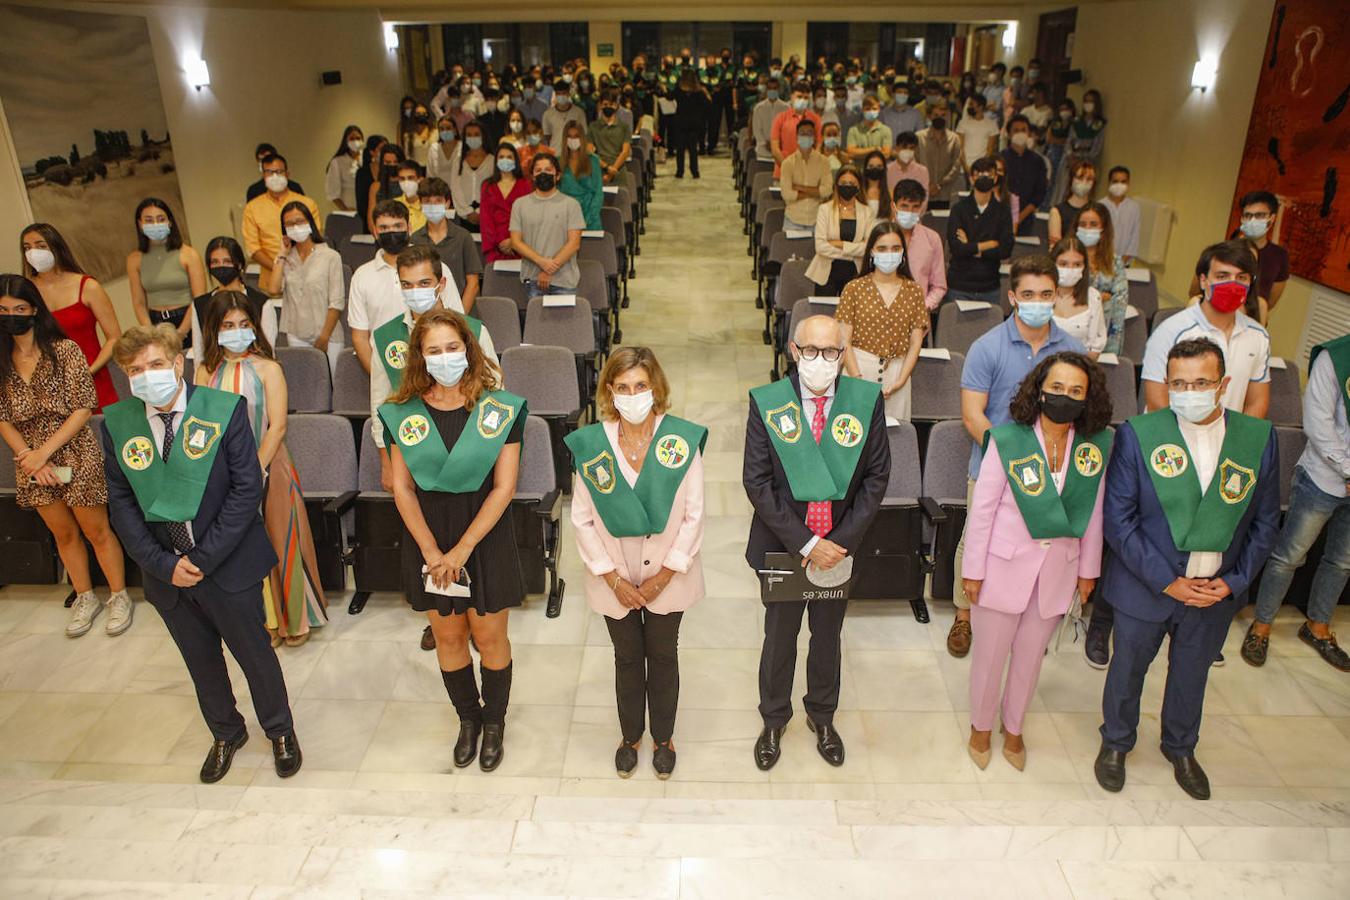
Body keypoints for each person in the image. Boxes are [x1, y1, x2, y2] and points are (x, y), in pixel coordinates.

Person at [100, 324, 302, 784]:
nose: (146, 376)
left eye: (154, 365)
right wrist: (163, 564)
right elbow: (122, 504)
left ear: (177, 364)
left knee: (255, 655)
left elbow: (246, 488)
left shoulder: (222, 410)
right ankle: (226, 732)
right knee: (200, 660)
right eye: (135, 370)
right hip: (167, 574)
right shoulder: (119, 426)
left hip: (226, 564)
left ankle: (280, 731)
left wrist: (202, 558)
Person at [1094, 338, 1279, 800]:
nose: (1188, 391)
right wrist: (1167, 581)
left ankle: (1180, 747)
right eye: (1178, 383)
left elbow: (1266, 521)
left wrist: (1234, 583)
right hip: (1147, 586)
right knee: (1127, 670)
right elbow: (1120, 522)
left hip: (1214, 590)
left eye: (1200, 382)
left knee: (1191, 675)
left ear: (1224, 385)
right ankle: (1116, 743)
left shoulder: (1257, 439)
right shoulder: (1140, 433)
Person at [382, 308, 525, 772]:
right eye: (433, 350)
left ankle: (495, 723)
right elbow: (402, 486)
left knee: (488, 635)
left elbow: (504, 487)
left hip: (483, 535)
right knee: (448, 635)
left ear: (468, 348)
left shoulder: (500, 408)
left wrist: (461, 550)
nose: (445, 357)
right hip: (429, 537)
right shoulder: (401, 412)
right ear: (419, 358)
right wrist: (431, 552)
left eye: (452, 347)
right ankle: (469, 719)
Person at [745, 315, 890, 770]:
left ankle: (822, 716)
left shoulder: (865, 401)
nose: (821, 361)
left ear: (843, 353)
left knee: (827, 636)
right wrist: (808, 543)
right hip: (785, 544)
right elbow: (757, 480)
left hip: (841, 546)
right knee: (780, 637)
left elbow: (877, 477)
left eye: (831, 352)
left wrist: (839, 542)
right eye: (812, 351)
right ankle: (773, 719)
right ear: (794, 350)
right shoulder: (769, 402)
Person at [964, 352, 1110, 770]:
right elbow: (983, 512)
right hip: (1001, 568)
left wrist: (1087, 573)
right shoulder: (1009, 442)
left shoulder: (1091, 450)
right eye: (1057, 388)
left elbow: (1094, 514)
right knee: (991, 656)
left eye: (1076, 391)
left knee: (1030, 658)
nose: (1066, 397)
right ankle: (979, 726)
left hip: (1057, 573)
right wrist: (972, 569)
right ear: (1040, 391)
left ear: (1088, 398)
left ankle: (1014, 728)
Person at [565, 348, 706, 779]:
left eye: (641, 386)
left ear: (655, 388)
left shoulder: (679, 440)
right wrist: (612, 578)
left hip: (671, 573)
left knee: (663, 655)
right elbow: (582, 518)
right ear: (610, 390)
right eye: (623, 387)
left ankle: (663, 737)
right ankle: (630, 736)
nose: (632, 395)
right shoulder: (592, 445)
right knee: (627, 657)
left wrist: (665, 575)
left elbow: (694, 513)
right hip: (614, 577)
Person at [950, 255, 1087, 657]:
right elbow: (973, 415)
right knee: (974, 540)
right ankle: (963, 617)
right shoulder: (986, 347)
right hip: (993, 465)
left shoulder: (1073, 350)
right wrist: (1012, 458)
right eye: (1028, 294)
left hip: (1058, 472)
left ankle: (1027, 622)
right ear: (1012, 297)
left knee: (1040, 547)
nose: (1038, 301)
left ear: (1057, 296)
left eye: (1046, 294)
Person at [0, 274, 130, 638]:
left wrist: (44, 453)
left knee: (96, 530)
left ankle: (118, 595)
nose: (11, 316)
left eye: (19, 309)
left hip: (72, 450)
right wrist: (29, 456)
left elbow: (83, 407)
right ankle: (85, 595)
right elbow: (2, 416)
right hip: (30, 459)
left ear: (34, 310)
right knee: (63, 534)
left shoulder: (65, 350)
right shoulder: (2, 359)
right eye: (4, 311)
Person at [195, 292, 328, 646]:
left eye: (243, 324)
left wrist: (252, 473)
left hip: (270, 466)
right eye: (228, 326)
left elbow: (278, 426)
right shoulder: (205, 371)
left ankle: (294, 620)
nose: (237, 332)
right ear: (214, 330)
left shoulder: (269, 368)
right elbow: (201, 425)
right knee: (242, 549)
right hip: (223, 474)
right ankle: (263, 620)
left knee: (280, 541)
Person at [1242, 331, 1350, 671]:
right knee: (1289, 556)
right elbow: (1318, 423)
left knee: (1342, 562)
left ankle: (1317, 626)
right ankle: (1261, 626)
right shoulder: (1335, 357)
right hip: (1323, 477)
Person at [1143, 241, 1270, 417]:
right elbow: (1157, 402)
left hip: (1228, 441)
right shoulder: (1170, 331)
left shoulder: (1258, 336)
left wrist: (1237, 441)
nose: (1232, 285)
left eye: (1241, 278)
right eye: (1222, 276)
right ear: (1203, 281)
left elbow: (1257, 402)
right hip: (1172, 439)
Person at [21, 224, 121, 410]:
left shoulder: (88, 285)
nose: (33, 252)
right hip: (52, 388)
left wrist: (88, 371)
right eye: (27, 248)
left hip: (94, 379)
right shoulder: (27, 292)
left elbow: (114, 337)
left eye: (40, 245)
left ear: (55, 247)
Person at [837, 222, 928, 420]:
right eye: (882, 248)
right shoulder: (854, 288)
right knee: (853, 437)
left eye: (895, 248)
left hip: (898, 373)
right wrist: (857, 379)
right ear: (871, 252)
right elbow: (844, 340)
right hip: (859, 368)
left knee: (895, 440)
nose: (889, 254)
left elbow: (916, 341)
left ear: (903, 252)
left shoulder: (914, 291)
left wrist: (902, 378)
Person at [263, 201, 345, 373]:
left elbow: (336, 302)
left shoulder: (330, 256)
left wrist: (324, 337)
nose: (295, 227)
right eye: (289, 224)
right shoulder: (287, 258)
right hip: (297, 334)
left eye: (299, 221)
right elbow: (273, 289)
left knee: (332, 384)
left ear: (309, 222)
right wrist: (282, 254)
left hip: (327, 334)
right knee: (308, 384)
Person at [127, 198, 206, 348]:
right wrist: (152, 333)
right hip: (155, 323)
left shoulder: (188, 254)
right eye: (149, 220)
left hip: (188, 320)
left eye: (160, 219)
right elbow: (139, 303)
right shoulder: (134, 259)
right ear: (140, 224)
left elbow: (199, 298)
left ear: (169, 221)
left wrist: (182, 332)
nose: (155, 224)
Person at [510, 152, 586, 299]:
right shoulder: (519, 204)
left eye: (548, 170)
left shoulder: (571, 204)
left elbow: (574, 243)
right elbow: (516, 242)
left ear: (557, 175)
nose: (543, 173)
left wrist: (548, 270)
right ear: (532, 176)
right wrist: (542, 262)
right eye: (538, 170)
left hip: (565, 281)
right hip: (532, 280)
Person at [243, 155, 320, 289]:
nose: (275, 176)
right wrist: (278, 267)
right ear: (263, 176)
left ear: (287, 174)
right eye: (269, 172)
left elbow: (315, 238)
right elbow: (253, 249)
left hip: (306, 277)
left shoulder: (307, 203)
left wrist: (298, 268)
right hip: (271, 280)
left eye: (279, 172)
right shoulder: (252, 208)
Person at [946, 156, 1014, 304]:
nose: (984, 177)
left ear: (996, 178)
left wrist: (970, 245)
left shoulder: (1003, 211)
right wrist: (989, 244)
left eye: (988, 174)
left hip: (989, 286)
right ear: (971, 178)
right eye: (979, 174)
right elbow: (957, 248)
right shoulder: (959, 209)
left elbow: (1005, 249)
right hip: (959, 285)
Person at [411, 177, 483, 313]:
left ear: (447, 203)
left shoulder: (463, 236)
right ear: (420, 204)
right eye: (427, 202)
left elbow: (473, 284)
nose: (433, 206)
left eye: (438, 201)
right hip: (427, 313)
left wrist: (459, 317)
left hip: (463, 312)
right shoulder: (415, 240)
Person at [806, 165, 876, 297]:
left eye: (851, 183)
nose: (847, 186)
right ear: (836, 185)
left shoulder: (867, 212)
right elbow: (820, 247)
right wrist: (853, 252)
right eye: (843, 183)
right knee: (825, 315)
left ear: (859, 186)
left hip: (855, 272)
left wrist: (840, 244)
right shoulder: (824, 209)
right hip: (826, 273)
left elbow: (868, 248)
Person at [193, 238, 269, 355]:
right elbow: (199, 351)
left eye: (227, 261)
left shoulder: (261, 303)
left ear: (239, 264)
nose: (221, 266)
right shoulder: (200, 305)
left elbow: (268, 350)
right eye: (215, 262)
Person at [1074, 204, 1129, 356]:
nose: (1087, 228)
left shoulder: (1115, 262)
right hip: (1074, 330)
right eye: (1083, 224)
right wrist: (1099, 296)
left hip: (1107, 330)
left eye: (1093, 224)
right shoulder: (1068, 258)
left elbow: (1120, 299)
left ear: (1103, 229)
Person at [892, 180, 946, 311]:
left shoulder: (932, 238)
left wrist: (923, 308)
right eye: (904, 206)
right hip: (882, 316)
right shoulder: (880, 236)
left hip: (920, 315)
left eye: (915, 206)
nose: (909, 211)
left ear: (921, 207)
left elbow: (939, 286)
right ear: (893, 206)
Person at [1050, 237, 1107, 357]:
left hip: (1079, 369)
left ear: (1084, 267)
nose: (1070, 269)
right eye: (1063, 264)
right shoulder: (1037, 294)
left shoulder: (1093, 297)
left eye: (1077, 264)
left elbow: (1094, 350)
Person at [480, 143, 532, 265]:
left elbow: (529, 218)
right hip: (495, 248)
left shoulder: (526, 185)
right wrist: (498, 243)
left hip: (521, 247)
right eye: (501, 157)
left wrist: (514, 241)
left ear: (516, 160)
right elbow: (485, 219)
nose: (505, 160)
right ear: (496, 160)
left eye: (509, 157)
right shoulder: (487, 186)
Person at [779, 119, 833, 230]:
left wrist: (799, 188)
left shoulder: (824, 162)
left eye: (809, 133)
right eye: (802, 133)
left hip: (817, 220)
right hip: (792, 220)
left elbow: (827, 191)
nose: (806, 136)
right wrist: (816, 192)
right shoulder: (787, 163)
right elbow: (787, 194)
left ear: (814, 137)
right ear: (797, 137)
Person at [1001, 115, 1047, 236]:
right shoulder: (1000, 159)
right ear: (1009, 134)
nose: (1020, 133)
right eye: (1016, 130)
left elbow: (1039, 193)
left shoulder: (1038, 161)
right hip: (1000, 216)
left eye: (1023, 130)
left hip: (1026, 218)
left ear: (1029, 133)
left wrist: (1019, 218)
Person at [916, 101, 964, 207]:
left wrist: (939, 185)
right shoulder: (919, 137)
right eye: (936, 115)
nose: (939, 118)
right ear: (929, 116)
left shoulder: (954, 138)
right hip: (922, 191)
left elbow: (956, 165)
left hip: (944, 192)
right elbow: (915, 163)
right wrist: (928, 184)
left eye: (943, 115)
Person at [770, 81, 822, 178]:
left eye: (806, 98)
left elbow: (819, 146)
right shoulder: (780, 118)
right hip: (783, 173)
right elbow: (775, 149)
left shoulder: (816, 119)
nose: (802, 100)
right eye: (799, 97)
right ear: (791, 97)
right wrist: (789, 169)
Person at [447, 122, 492, 233]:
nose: (473, 138)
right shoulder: (458, 161)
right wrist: (467, 212)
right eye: (469, 135)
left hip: (488, 214)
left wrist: (480, 212)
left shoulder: (492, 160)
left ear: (483, 136)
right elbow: (455, 188)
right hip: (464, 217)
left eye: (476, 134)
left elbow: (493, 190)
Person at [588, 90, 635, 194]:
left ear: (617, 106)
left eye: (611, 104)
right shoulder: (592, 127)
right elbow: (590, 152)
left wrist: (612, 171)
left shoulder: (624, 127)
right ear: (600, 105)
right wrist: (606, 167)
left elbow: (625, 151)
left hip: (619, 172)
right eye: (605, 104)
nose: (608, 107)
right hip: (598, 172)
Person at [559, 122, 604, 230]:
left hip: (590, 216)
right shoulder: (558, 162)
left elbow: (598, 193)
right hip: (565, 217)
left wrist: (589, 218)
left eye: (576, 136)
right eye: (569, 136)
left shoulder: (593, 160)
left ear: (582, 138)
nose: (572, 139)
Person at [670, 70, 711, 179]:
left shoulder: (678, 91)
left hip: (680, 122)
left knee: (680, 149)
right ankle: (695, 171)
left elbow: (669, 97)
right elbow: (707, 104)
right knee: (693, 149)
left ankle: (680, 171)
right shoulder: (698, 92)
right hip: (694, 123)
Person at [1048, 160, 1097, 245]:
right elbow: (1055, 246)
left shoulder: (1097, 211)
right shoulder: (1057, 212)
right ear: (1071, 180)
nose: (1084, 182)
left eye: (1089, 179)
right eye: (1080, 178)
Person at [1103, 166, 1141, 265]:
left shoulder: (1134, 207)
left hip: (1124, 263)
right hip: (1102, 261)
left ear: (1128, 183)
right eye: (1115, 181)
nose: (1119, 185)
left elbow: (1134, 237)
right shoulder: (1101, 206)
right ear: (1109, 183)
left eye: (1123, 182)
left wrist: (1121, 262)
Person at [325, 125, 364, 212]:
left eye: (358, 138)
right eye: (352, 139)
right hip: (347, 208)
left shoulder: (367, 160)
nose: (355, 141)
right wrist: (345, 209)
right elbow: (332, 192)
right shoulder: (337, 162)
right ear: (346, 141)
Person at [957, 94, 999, 174]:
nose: (969, 107)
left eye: (971, 104)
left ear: (981, 107)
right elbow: (960, 148)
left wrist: (982, 167)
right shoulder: (962, 123)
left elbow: (990, 150)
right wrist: (966, 167)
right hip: (963, 168)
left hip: (982, 168)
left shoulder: (992, 124)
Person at [354, 135, 387, 233]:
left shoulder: (389, 171)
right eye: (381, 149)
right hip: (369, 222)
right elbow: (361, 203)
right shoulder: (362, 173)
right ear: (372, 152)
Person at [751, 76, 789, 163]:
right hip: (762, 154)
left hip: (781, 153)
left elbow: (786, 129)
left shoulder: (786, 107)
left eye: (775, 88)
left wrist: (777, 144)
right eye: (770, 88)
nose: (772, 91)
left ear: (778, 89)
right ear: (766, 89)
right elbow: (757, 130)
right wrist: (766, 143)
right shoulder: (758, 108)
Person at [846, 95, 893, 163]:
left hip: (878, 171)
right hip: (859, 171)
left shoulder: (886, 130)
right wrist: (874, 149)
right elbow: (851, 153)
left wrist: (860, 152)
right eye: (867, 109)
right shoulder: (853, 130)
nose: (871, 111)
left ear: (879, 109)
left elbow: (886, 154)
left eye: (874, 109)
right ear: (862, 110)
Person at [542, 80, 586, 149]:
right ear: (555, 94)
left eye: (564, 93)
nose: (561, 96)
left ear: (568, 93)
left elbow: (583, 134)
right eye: (558, 94)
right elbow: (547, 136)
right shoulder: (547, 114)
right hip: (555, 152)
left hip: (573, 152)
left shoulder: (579, 112)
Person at [885, 132, 929, 198]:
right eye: (904, 147)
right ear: (896, 147)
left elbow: (924, 198)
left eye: (911, 148)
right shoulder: (887, 170)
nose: (907, 150)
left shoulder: (922, 171)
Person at [427, 116, 460, 183]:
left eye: (448, 128)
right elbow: (430, 175)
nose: (445, 131)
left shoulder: (462, 147)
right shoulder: (433, 149)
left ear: (455, 130)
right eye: (442, 129)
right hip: (439, 190)